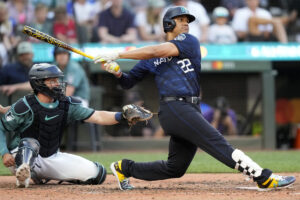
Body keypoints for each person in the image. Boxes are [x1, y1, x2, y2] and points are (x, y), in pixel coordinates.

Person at [93, 6, 296, 190]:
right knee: (218, 143)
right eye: (181, 20)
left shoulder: (188, 42)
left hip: (189, 108)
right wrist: (117, 72)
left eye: (187, 21)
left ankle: (124, 168)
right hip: (174, 108)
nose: (185, 24)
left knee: (175, 167)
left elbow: (157, 50)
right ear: (168, 24)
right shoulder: (151, 57)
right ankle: (263, 177)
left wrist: (118, 54)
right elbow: (128, 82)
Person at [0, 63, 152, 188]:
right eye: (52, 81)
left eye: (58, 80)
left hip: (50, 156)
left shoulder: (66, 104)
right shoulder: (25, 105)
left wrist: (122, 116)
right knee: (30, 142)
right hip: (19, 156)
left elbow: (98, 116)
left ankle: (41, 175)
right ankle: (24, 175)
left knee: (98, 174)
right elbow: (1, 127)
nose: (57, 84)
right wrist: (4, 153)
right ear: (38, 84)